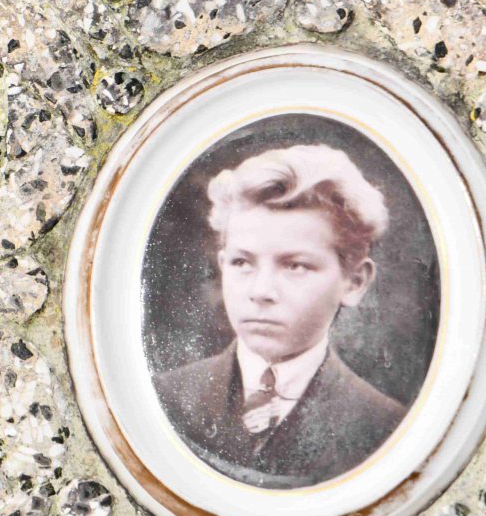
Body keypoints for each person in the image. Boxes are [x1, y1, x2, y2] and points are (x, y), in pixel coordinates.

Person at [153, 143, 407, 487]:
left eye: (295, 266)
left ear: (354, 281)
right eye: (242, 262)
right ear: (223, 265)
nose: (261, 291)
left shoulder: (386, 427)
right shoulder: (164, 397)